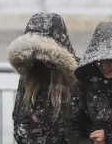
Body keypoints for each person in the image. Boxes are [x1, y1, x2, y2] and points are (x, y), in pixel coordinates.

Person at [7, 13, 78, 144]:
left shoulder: (77, 78)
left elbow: (83, 128)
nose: (41, 61)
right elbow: (19, 123)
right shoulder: (29, 77)